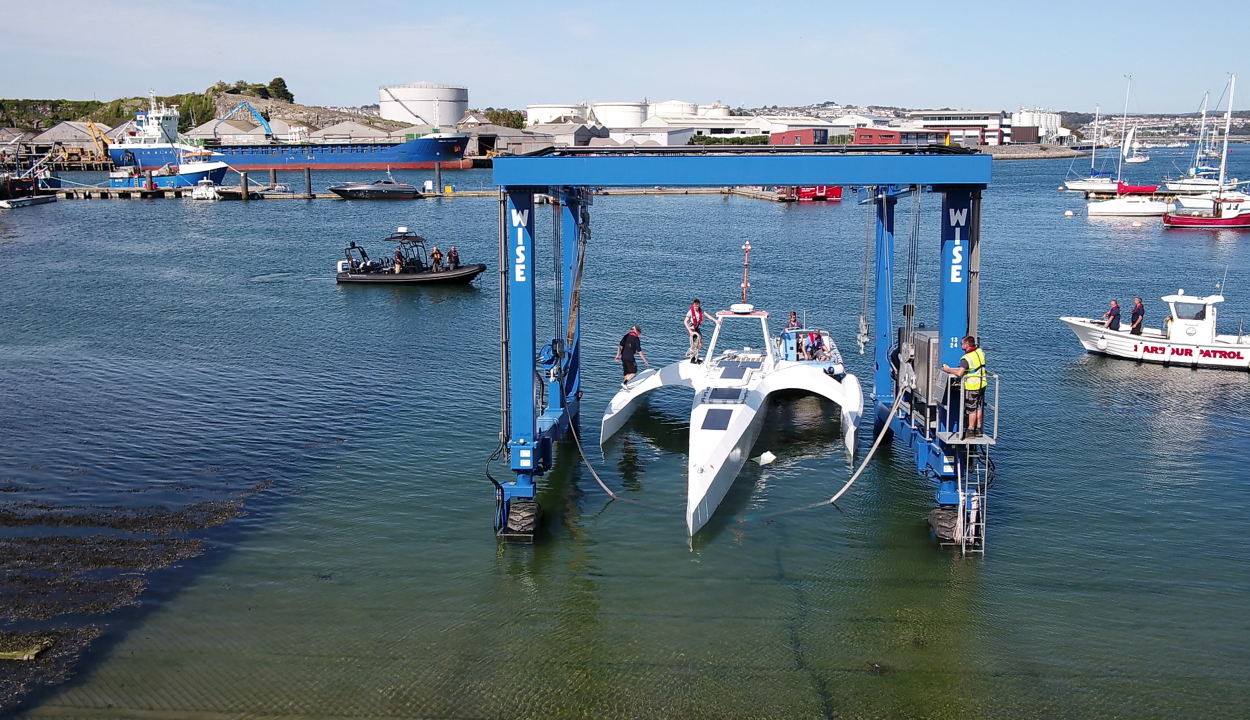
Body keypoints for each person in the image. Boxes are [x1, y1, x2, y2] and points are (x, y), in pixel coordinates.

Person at [941, 336, 987, 437]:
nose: (960, 345)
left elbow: (960, 373)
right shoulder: (980, 352)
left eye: (961, 343)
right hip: (982, 384)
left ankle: (970, 430)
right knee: (978, 406)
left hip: (972, 386)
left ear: (966, 345)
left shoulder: (966, 358)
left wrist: (948, 370)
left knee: (971, 409)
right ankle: (978, 429)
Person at [684, 299, 719, 364]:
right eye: (695, 306)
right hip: (692, 330)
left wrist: (715, 321)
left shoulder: (700, 311)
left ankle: (694, 357)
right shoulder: (690, 312)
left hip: (696, 329)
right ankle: (693, 358)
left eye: (697, 306)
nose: (696, 307)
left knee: (699, 344)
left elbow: (708, 316)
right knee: (695, 344)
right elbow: (685, 321)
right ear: (693, 305)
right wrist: (690, 331)